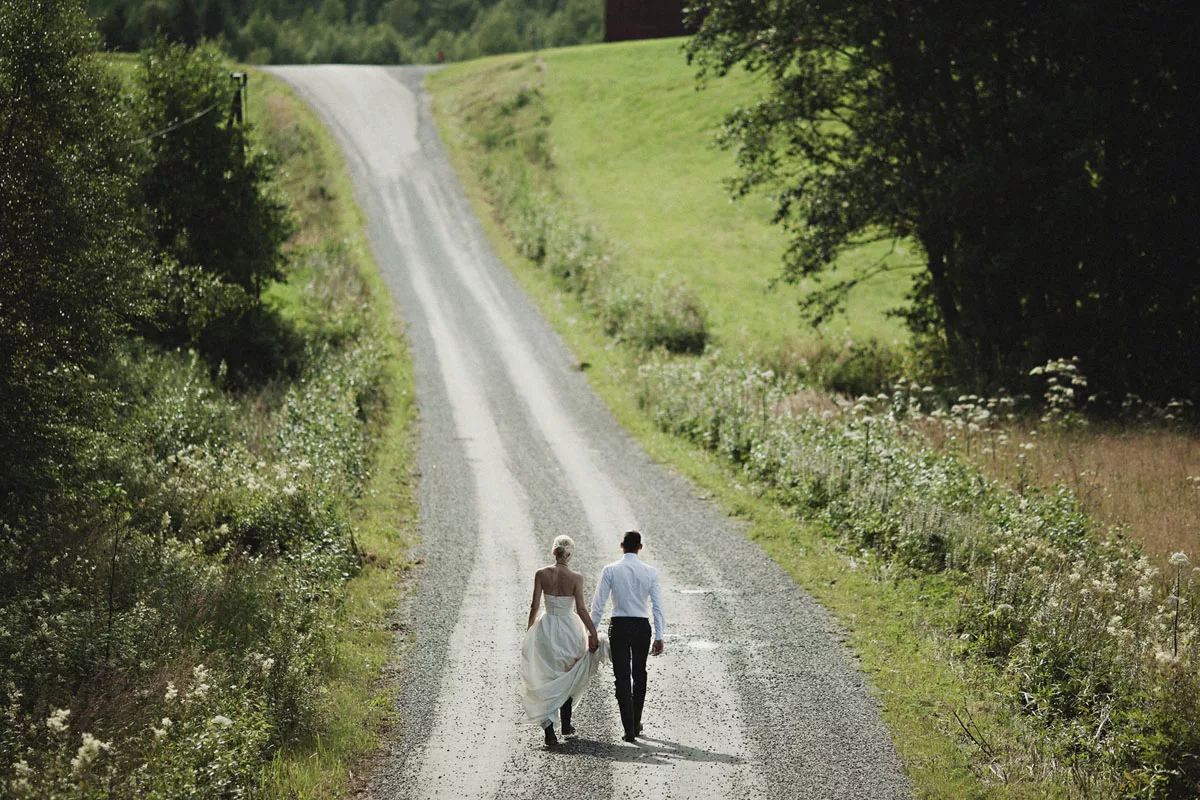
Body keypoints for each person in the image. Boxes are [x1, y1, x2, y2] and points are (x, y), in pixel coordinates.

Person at [520, 535, 601, 747]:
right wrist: (592, 632)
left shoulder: (541, 574)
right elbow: (582, 609)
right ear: (570, 554)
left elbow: (534, 606)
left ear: (553, 552)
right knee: (568, 673)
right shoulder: (576, 577)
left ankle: (549, 731)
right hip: (569, 629)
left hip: (546, 628)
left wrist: (530, 630)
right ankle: (566, 724)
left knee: (545, 675)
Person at [591, 530, 665, 743]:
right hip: (642, 625)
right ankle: (636, 720)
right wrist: (659, 635)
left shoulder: (611, 570)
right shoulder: (650, 572)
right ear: (640, 547)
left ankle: (628, 727)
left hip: (620, 625)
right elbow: (658, 606)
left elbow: (599, 605)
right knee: (639, 673)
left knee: (622, 676)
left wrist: (592, 632)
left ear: (621, 545)